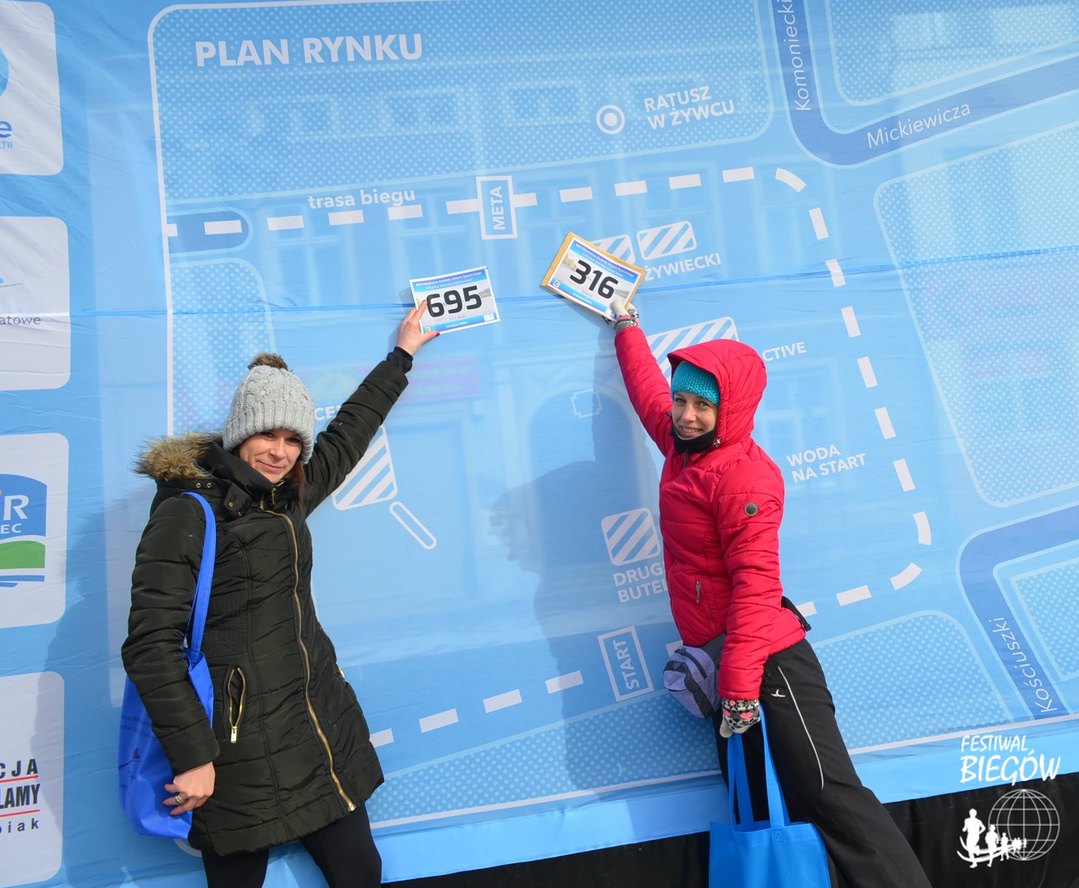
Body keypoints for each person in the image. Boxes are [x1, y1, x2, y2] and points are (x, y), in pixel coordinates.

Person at [606, 298, 931, 888]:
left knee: (830, 798)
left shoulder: (744, 477)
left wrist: (737, 691)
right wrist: (626, 327)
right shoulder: (682, 447)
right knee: (763, 811)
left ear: (730, 409)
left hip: (770, 666)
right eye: (682, 401)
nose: (686, 415)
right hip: (727, 665)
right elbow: (646, 390)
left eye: (703, 406)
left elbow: (756, 588)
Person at [121, 305, 438, 888]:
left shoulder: (286, 498)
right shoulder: (189, 512)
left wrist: (402, 355)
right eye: (268, 433)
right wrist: (193, 756)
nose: (281, 451)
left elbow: (348, 435)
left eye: (293, 439)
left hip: (314, 727)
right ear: (240, 432)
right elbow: (151, 645)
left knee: (361, 871)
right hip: (232, 748)